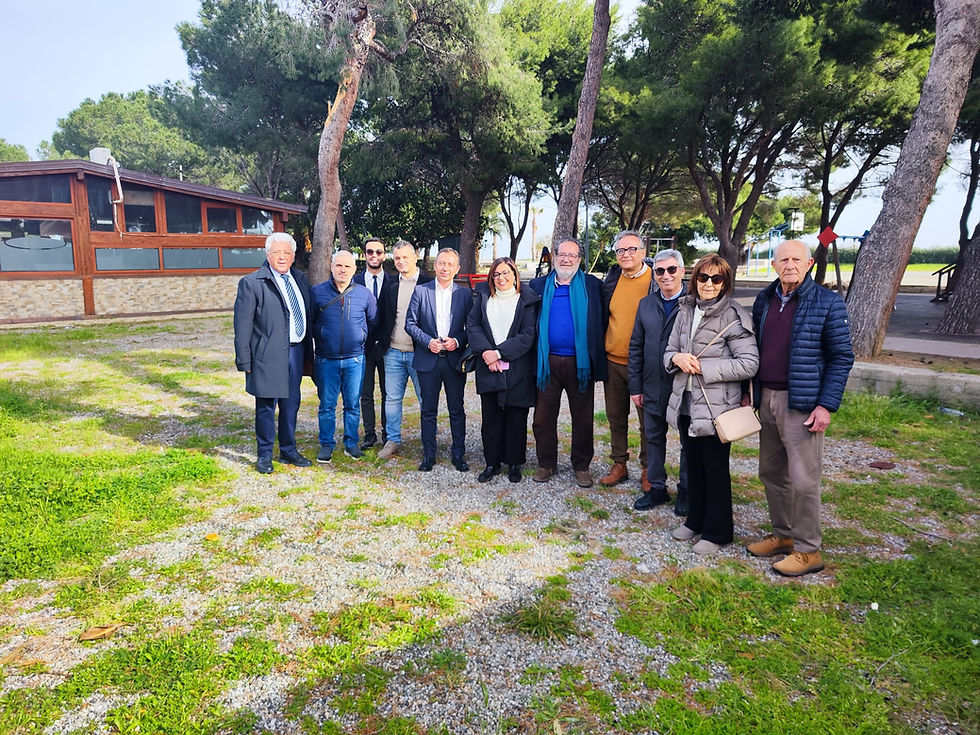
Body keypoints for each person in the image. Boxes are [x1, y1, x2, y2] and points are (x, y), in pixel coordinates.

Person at [747, 239, 854, 576]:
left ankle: (809, 551)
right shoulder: (764, 300)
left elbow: (841, 357)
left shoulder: (827, 303)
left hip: (802, 403)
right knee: (771, 472)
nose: (789, 264)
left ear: (808, 264)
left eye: (797, 259)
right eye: (783, 259)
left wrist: (825, 405)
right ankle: (784, 536)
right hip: (767, 398)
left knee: (804, 480)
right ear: (774, 265)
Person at [664, 254, 759, 554]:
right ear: (695, 279)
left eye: (716, 279)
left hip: (718, 406)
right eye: (703, 277)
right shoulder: (685, 310)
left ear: (725, 282)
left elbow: (749, 364)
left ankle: (717, 532)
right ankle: (695, 521)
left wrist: (705, 367)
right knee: (693, 465)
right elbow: (669, 350)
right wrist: (676, 359)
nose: (708, 284)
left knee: (714, 468)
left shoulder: (734, 316)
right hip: (686, 400)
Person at [528, 237, 607, 488]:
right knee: (542, 418)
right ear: (554, 256)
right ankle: (546, 463)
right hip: (547, 364)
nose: (566, 259)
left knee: (582, 418)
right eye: (562, 254)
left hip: (580, 365)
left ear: (579, 260)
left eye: (572, 256)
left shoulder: (593, 286)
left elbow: (603, 319)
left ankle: (581, 465)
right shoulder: (538, 285)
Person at [233, 232, 313, 474]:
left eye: (287, 252)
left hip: (296, 352)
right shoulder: (253, 282)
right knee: (267, 406)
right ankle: (265, 454)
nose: (282, 257)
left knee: (291, 404)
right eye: (277, 252)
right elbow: (243, 326)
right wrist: (244, 359)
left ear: (293, 256)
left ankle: (288, 450)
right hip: (267, 355)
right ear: (268, 255)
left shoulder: (300, 279)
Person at [467, 257, 541, 483]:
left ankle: (514, 463)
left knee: (516, 418)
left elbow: (528, 335)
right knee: (491, 419)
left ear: (515, 275)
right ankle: (492, 463)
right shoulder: (483, 298)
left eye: (506, 273)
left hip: (517, 367)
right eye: (497, 274)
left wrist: (499, 353)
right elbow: (473, 326)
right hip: (488, 366)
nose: (501, 278)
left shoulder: (527, 300)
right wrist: (488, 354)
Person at [627, 248, 690, 513]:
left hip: (684, 386)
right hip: (652, 383)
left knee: (689, 441)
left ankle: (687, 491)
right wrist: (635, 386)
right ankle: (657, 488)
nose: (665, 276)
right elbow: (636, 347)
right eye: (660, 271)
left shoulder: (694, 303)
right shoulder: (646, 304)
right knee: (653, 438)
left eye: (671, 270)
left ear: (682, 272)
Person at [405, 247, 471, 472]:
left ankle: (459, 454)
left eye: (450, 264)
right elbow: (410, 324)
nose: (445, 268)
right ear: (435, 265)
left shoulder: (464, 294)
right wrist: (427, 341)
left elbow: (471, 328)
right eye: (442, 263)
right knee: (428, 410)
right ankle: (429, 454)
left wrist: (458, 341)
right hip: (428, 359)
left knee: (456, 409)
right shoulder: (421, 291)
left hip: (453, 360)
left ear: (457, 269)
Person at [599, 230, 655, 490]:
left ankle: (648, 468)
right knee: (615, 417)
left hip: (645, 366)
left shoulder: (656, 280)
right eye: (621, 250)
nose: (626, 254)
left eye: (632, 249)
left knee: (648, 421)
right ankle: (619, 463)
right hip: (614, 362)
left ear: (643, 252)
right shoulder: (611, 281)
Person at [310, 250, 377, 463]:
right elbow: (310, 321)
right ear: (331, 266)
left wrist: (360, 337)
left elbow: (373, 321)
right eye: (339, 265)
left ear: (354, 269)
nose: (342, 270)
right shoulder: (316, 293)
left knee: (352, 404)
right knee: (327, 405)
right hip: (326, 359)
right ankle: (327, 444)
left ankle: (350, 443)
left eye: (347, 266)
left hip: (355, 360)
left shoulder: (364, 294)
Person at [376, 241, 433, 460]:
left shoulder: (428, 283)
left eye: (405, 257)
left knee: (424, 399)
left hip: (420, 353)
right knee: (392, 399)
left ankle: (428, 442)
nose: (401, 262)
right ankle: (393, 440)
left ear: (415, 257)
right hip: (393, 352)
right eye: (397, 258)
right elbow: (382, 317)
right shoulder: (390, 284)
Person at [353, 238, 396, 450]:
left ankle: (389, 434)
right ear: (364, 255)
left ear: (384, 255)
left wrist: (386, 341)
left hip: (388, 347)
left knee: (389, 394)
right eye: (370, 251)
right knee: (366, 393)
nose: (374, 255)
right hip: (363, 347)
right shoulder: (354, 281)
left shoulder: (394, 282)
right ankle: (369, 434)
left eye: (379, 252)